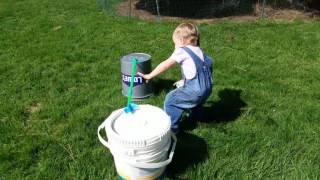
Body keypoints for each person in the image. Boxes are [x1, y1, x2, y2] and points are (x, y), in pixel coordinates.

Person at [138, 23, 213, 134]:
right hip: (207, 88)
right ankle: (195, 118)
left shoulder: (182, 51)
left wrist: (149, 75)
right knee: (197, 101)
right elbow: (202, 71)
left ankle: (172, 129)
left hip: (195, 91)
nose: (174, 46)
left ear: (182, 40)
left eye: (175, 43)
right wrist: (185, 81)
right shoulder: (199, 51)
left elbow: (165, 65)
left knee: (170, 100)